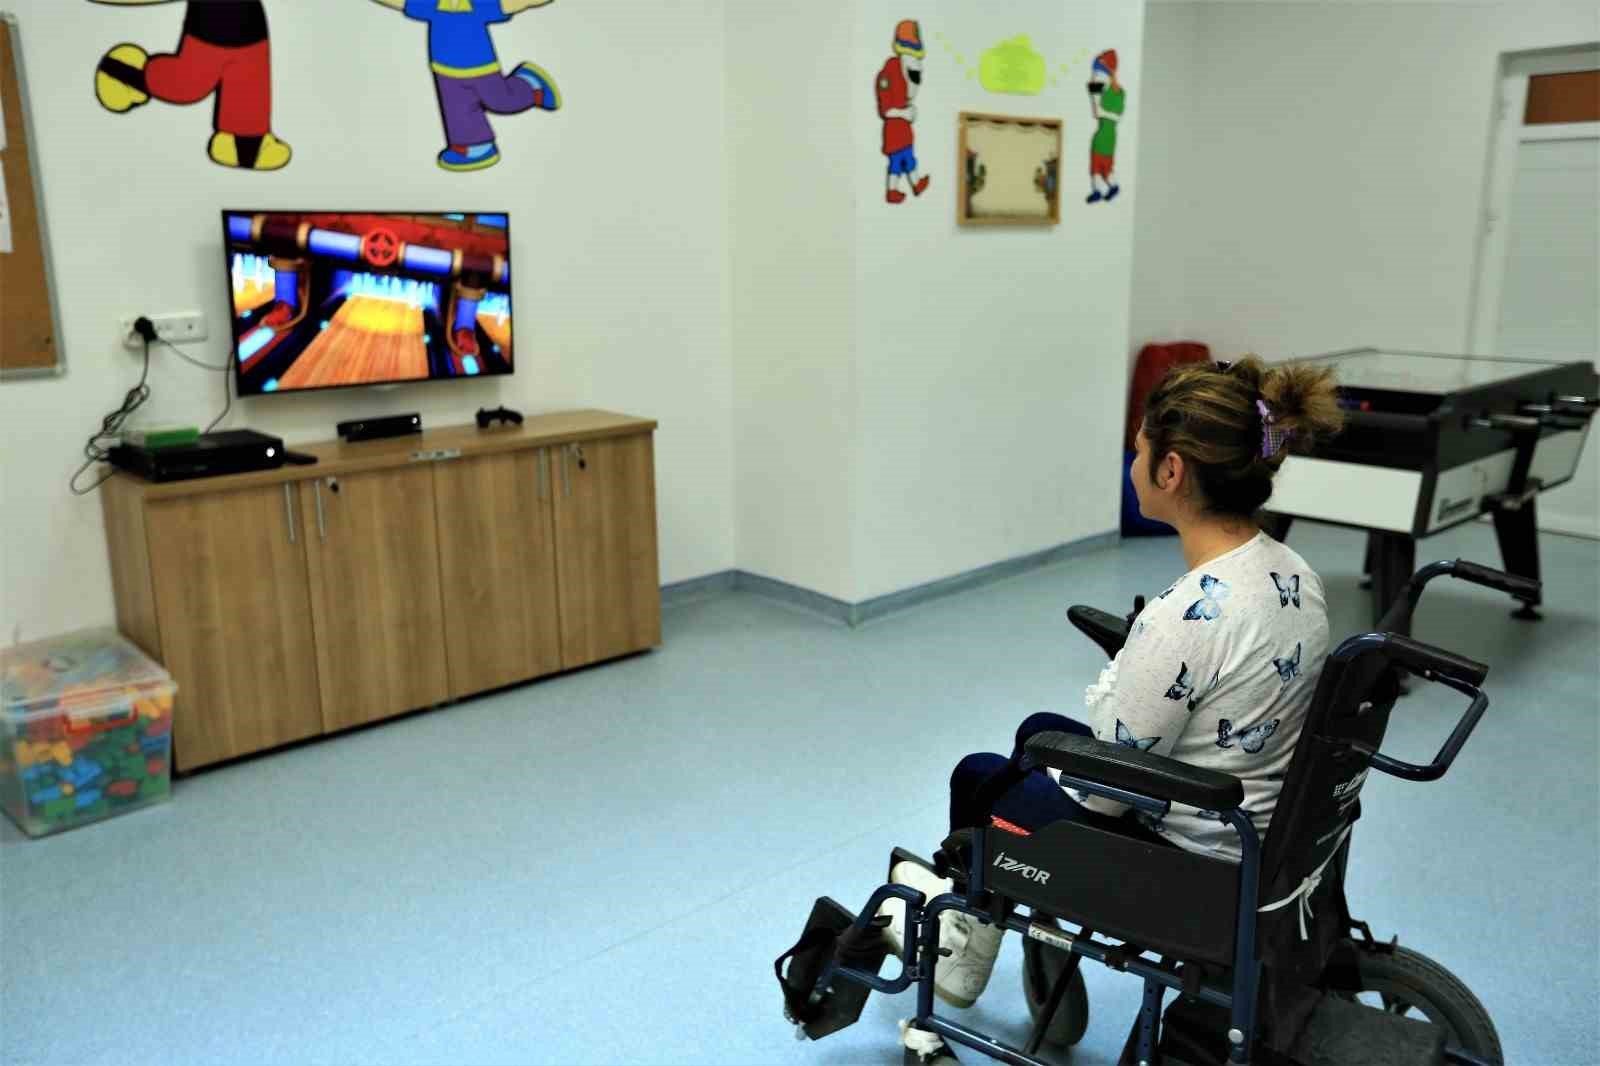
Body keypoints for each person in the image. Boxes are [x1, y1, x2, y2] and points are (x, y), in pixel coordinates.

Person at [881, 356, 1345, 1012]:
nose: (1132, 466)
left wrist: (1126, 664)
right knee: (1037, 732)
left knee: (979, 776)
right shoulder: (1293, 573)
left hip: (1192, 860)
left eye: (1139, 451)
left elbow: (1105, 795)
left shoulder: (1186, 616)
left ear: (1171, 470)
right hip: (1262, 831)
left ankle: (966, 951)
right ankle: (1018, 917)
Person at [370, 0, 561, 172]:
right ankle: (476, 147)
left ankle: (530, 85)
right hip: (444, 69)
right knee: (458, 112)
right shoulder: (432, 4)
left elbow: (512, 3)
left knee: (501, 101)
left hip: (481, 67)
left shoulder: (480, 4)